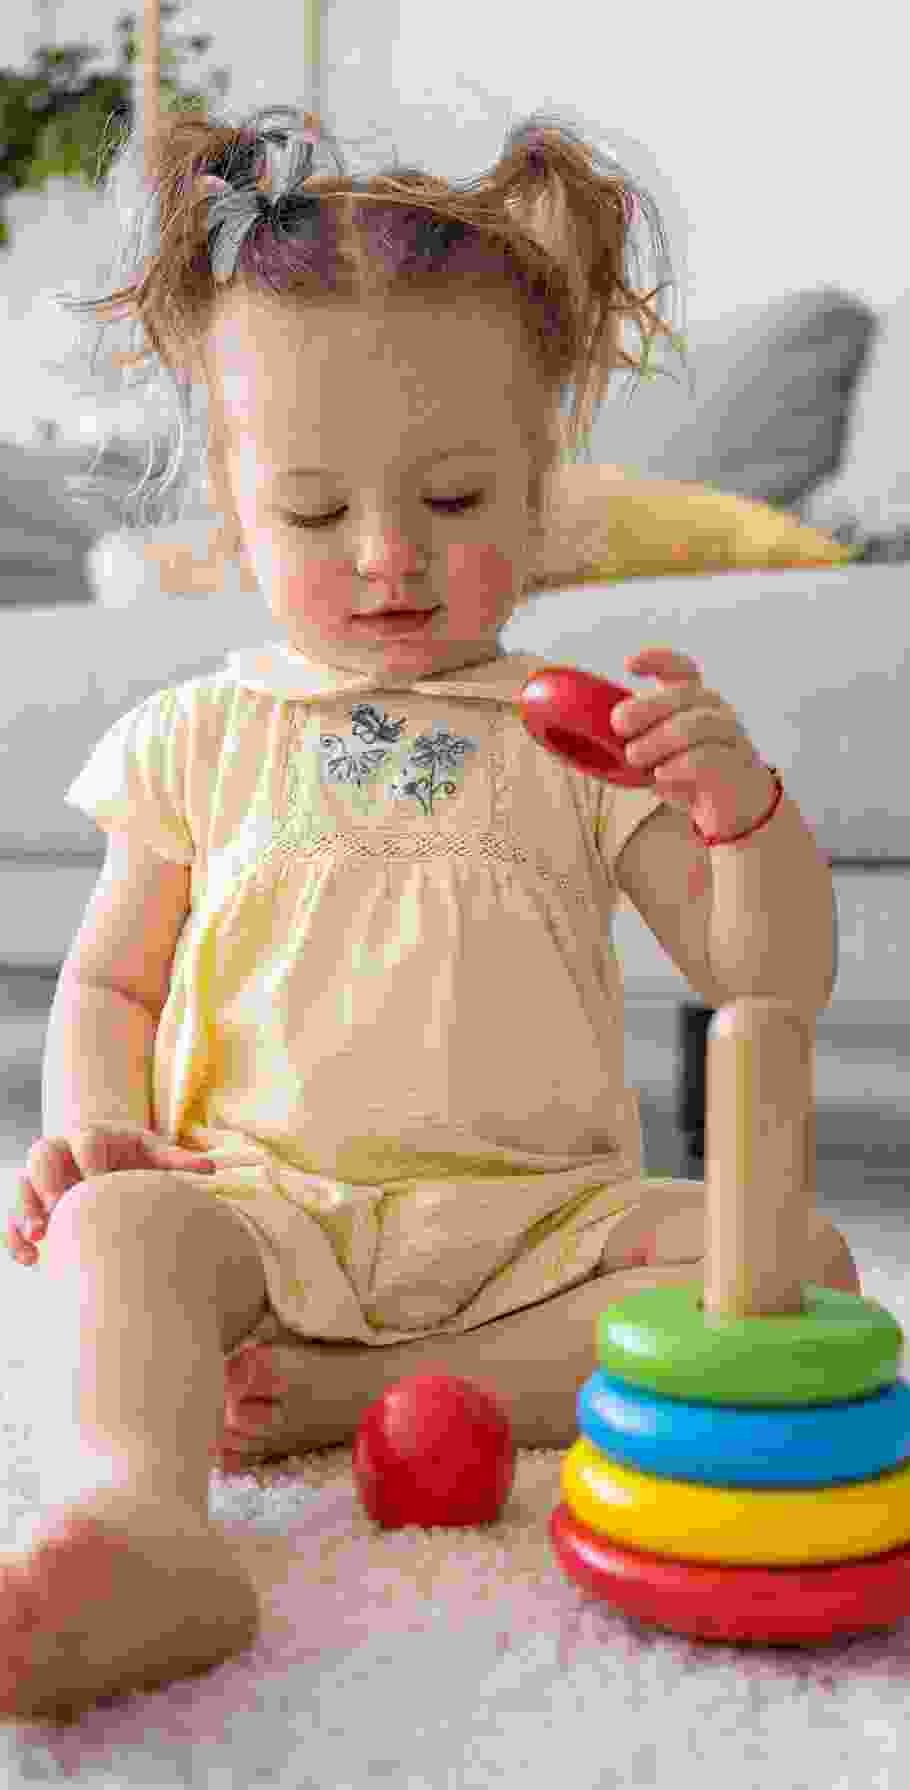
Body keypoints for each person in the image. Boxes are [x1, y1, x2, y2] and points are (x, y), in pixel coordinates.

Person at [2, 103, 860, 1721]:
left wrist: (736, 811)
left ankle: (358, 1388)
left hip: (536, 1231)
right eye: (314, 513)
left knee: (794, 1258)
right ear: (233, 508)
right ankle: (146, 1518)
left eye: (455, 499)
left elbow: (767, 977)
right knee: (116, 1243)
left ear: (541, 488)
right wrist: (95, 1130)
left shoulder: (579, 733)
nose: (389, 557)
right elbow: (112, 985)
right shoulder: (198, 734)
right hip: (263, 1207)